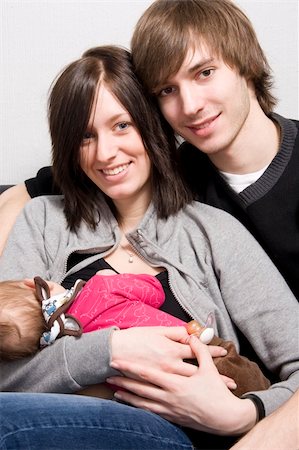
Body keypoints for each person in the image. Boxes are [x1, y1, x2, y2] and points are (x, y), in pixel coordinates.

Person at [0, 44, 298, 450]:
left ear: (151, 125)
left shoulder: (214, 232)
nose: (105, 153)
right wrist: (113, 349)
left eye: (121, 126)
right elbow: (3, 367)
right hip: (54, 424)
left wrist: (244, 412)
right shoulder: (42, 221)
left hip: (178, 433)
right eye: (86, 136)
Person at [0, 274, 270, 398]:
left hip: (162, 392)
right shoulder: (99, 286)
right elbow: (154, 291)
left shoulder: (70, 343)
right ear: (31, 282)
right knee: (248, 381)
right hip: (200, 349)